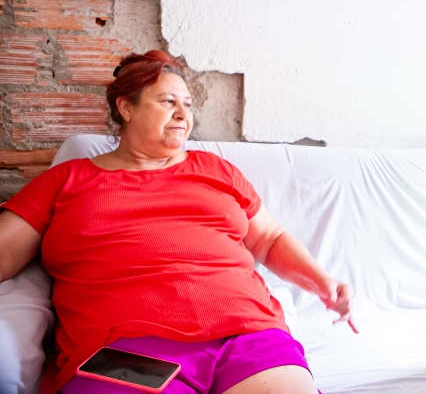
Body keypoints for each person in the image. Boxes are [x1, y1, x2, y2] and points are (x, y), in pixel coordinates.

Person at [0, 50, 356, 394]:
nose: (182, 114)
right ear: (126, 108)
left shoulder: (216, 170)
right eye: (168, 102)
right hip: (124, 347)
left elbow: (270, 238)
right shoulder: (65, 180)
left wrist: (322, 282)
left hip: (246, 332)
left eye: (187, 104)